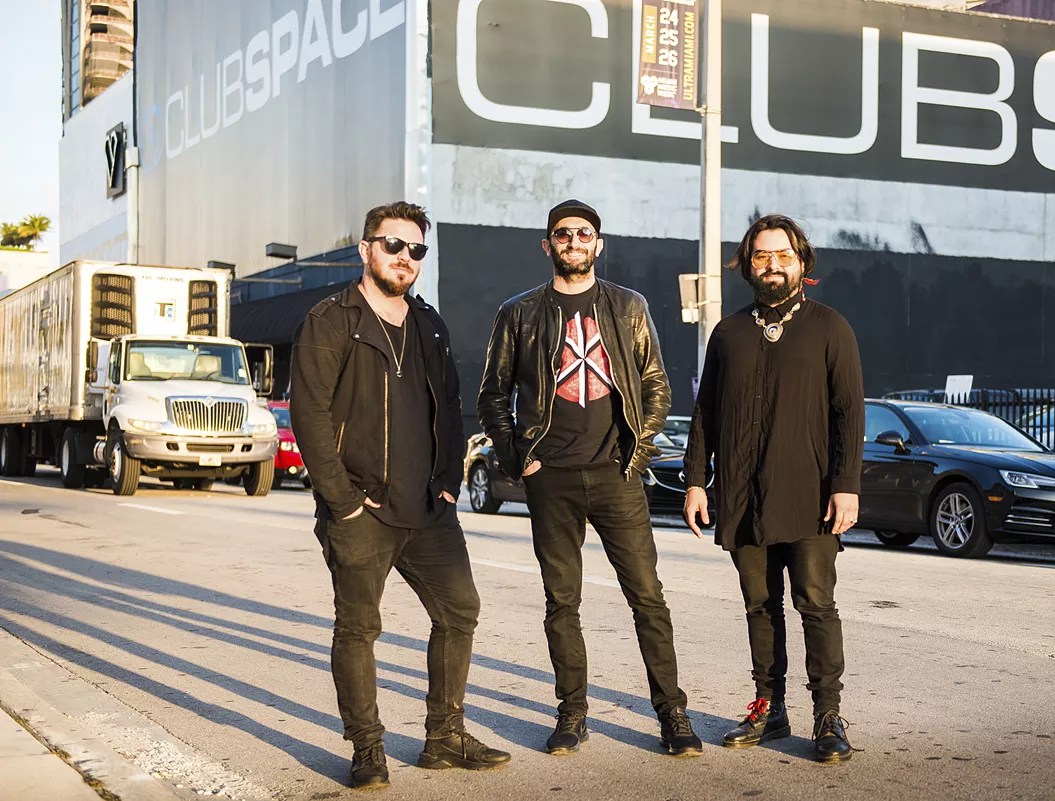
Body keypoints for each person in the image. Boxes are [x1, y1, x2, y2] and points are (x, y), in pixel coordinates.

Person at [291, 201, 510, 789]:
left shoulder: (429, 323)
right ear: (366, 249)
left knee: (459, 610)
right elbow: (308, 415)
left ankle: (443, 737)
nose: (405, 258)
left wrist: (448, 483)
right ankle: (367, 748)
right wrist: (342, 501)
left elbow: (450, 404)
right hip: (362, 507)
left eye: (416, 250)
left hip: (429, 510)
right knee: (359, 628)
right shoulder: (331, 319)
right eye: (393, 246)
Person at [477, 199, 702, 757]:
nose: (574, 241)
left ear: (598, 244)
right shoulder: (520, 312)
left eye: (584, 233)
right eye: (563, 234)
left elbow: (655, 382)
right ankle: (572, 713)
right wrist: (517, 459)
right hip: (549, 476)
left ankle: (672, 714)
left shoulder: (628, 306)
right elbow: (492, 394)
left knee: (647, 597)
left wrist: (639, 450)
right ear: (547, 244)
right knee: (562, 602)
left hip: (616, 473)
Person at [683, 213, 864, 763]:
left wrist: (846, 486)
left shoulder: (830, 327)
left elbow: (848, 413)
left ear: (801, 261)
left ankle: (828, 717)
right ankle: (770, 708)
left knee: (815, 604)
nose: (772, 265)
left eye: (782, 255)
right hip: (742, 496)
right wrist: (696, 481)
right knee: (760, 606)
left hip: (809, 497)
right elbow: (706, 412)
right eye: (761, 256)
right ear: (748, 265)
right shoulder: (729, 333)